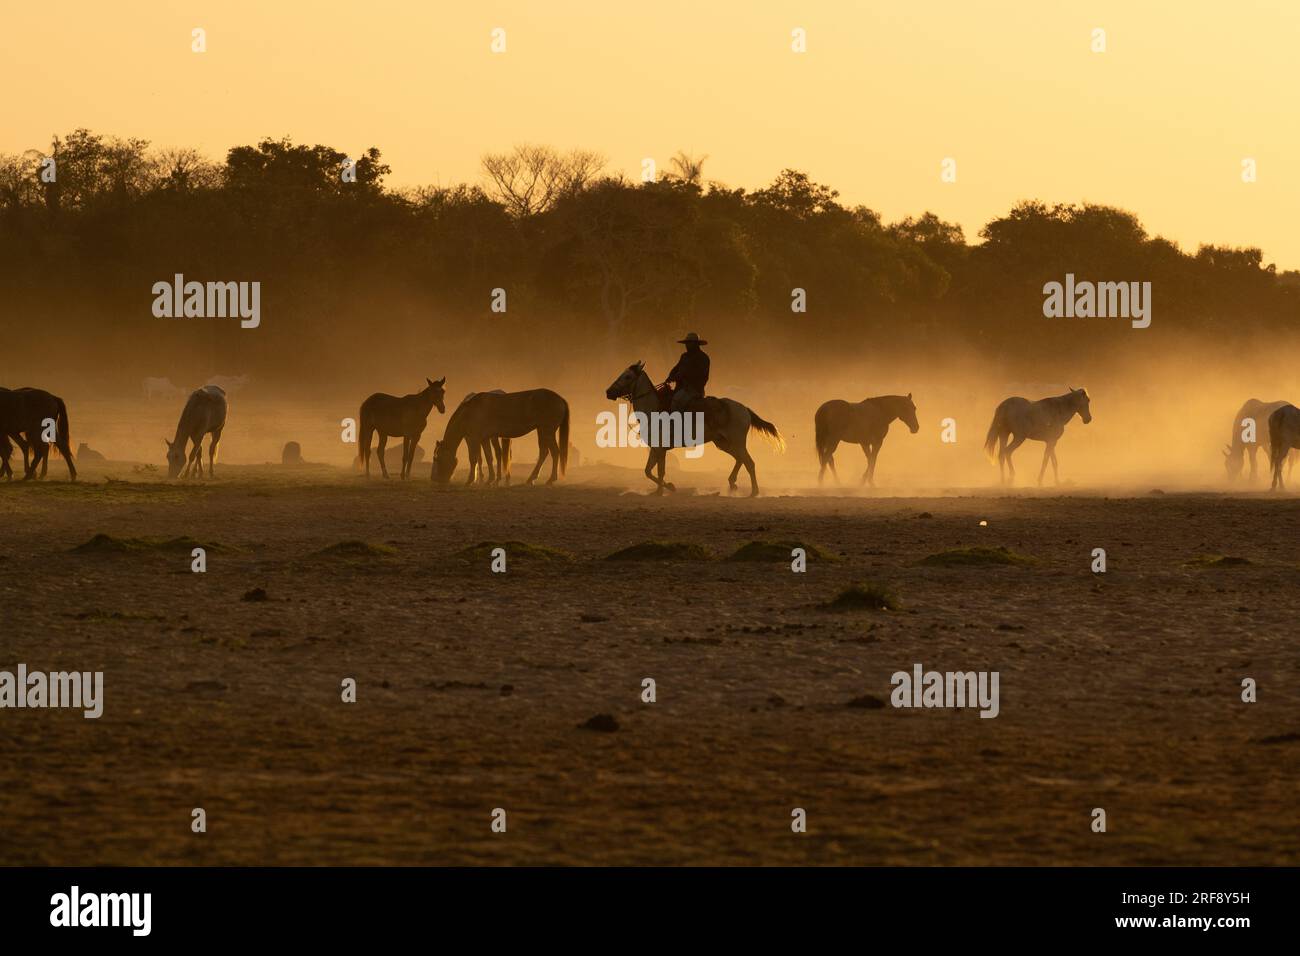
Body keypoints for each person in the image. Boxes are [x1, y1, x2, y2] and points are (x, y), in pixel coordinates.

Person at [666, 332, 710, 413]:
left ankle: (678, 423)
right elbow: (676, 368)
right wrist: (670, 376)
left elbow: (702, 376)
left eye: (689, 343)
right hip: (680, 389)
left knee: (676, 402)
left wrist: (680, 377)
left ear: (696, 344)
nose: (686, 345)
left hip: (695, 390)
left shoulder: (703, 358)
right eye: (686, 343)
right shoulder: (684, 356)